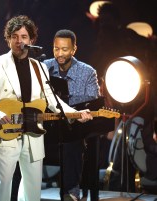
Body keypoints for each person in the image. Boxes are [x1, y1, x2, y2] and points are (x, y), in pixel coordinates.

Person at [0, 15, 93, 201]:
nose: (19, 41)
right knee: (3, 181)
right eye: (14, 36)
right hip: (6, 130)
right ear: (8, 40)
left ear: (31, 40)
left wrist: (75, 113)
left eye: (23, 37)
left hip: (32, 133)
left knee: (32, 184)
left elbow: (52, 100)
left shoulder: (39, 67)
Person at [43, 29, 100, 201]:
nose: (59, 54)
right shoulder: (44, 66)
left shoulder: (87, 71)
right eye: (56, 49)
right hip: (46, 125)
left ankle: (71, 193)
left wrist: (71, 108)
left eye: (65, 49)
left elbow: (93, 100)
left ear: (74, 49)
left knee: (72, 140)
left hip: (74, 127)